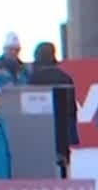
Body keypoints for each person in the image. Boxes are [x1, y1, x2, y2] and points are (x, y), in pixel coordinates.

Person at [27, 42, 80, 178]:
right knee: (62, 171)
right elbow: (72, 109)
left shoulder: (33, 79)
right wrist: (72, 135)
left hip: (39, 134)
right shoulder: (65, 77)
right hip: (62, 134)